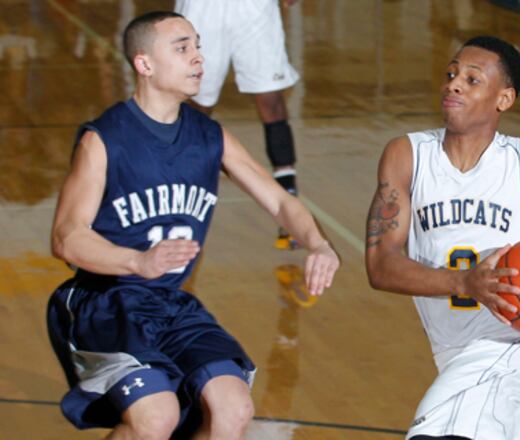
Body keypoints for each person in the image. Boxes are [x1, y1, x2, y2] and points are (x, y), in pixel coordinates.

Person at [46, 11, 339, 439]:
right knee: (157, 416)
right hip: (108, 303)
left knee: (233, 407)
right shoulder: (105, 139)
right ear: (144, 64)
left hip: (169, 303)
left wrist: (318, 243)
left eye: (199, 47)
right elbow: (65, 237)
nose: (199, 58)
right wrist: (136, 262)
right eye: (182, 49)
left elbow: (279, 200)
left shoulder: (210, 136)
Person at [364, 36, 520, 439]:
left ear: (504, 99)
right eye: (450, 74)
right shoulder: (407, 156)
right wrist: (464, 282)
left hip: (511, 344)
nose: (453, 84)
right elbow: (380, 266)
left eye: (471, 79)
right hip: (452, 353)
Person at [174, 0, 302, 250]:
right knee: (197, 100)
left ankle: (289, 199)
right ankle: (180, 192)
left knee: (271, 97)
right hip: (204, 8)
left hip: (254, 8)